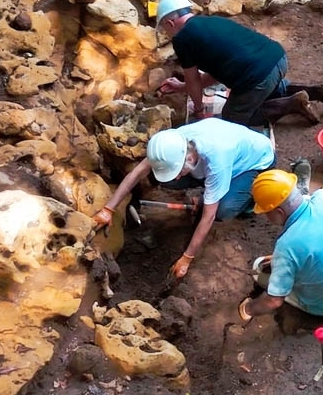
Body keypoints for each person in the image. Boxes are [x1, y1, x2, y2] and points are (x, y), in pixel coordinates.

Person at [91, 119, 276, 280]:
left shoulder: (217, 159)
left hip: (254, 163)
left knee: (223, 209)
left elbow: (209, 216)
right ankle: (211, 190)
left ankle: (249, 200)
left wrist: (187, 257)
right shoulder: (170, 144)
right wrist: (109, 209)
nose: (178, 177)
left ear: (188, 158)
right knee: (166, 180)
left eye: (179, 171)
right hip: (217, 158)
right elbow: (137, 173)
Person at [150, 0, 323, 127]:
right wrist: (182, 87)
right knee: (264, 88)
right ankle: (314, 91)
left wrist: (199, 110)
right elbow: (217, 72)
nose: (168, 34)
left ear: (170, 22)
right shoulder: (211, 21)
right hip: (278, 59)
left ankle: (290, 105)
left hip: (258, 77)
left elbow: (193, 81)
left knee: (233, 118)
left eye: (165, 30)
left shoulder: (182, 39)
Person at [236, 168, 323, 319]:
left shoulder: (286, 246)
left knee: (258, 268)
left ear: (279, 212)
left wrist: (248, 309)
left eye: (266, 212)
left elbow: (273, 301)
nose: (266, 217)